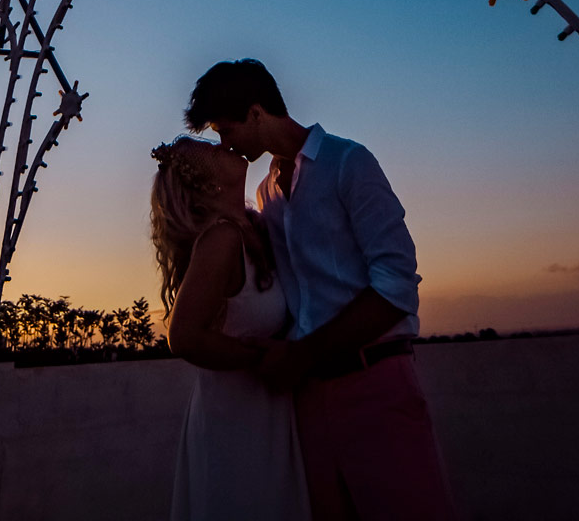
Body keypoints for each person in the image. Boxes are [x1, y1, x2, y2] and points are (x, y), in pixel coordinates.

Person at [187, 58, 460, 521]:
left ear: (256, 112)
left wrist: (303, 354)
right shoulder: (267, 195)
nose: (224, 144)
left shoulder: (348, 162)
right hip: (307, 399)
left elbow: (396, 285)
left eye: (226, 130)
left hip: (374, 382)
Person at [151, 134, 310, 521]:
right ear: (208, 184)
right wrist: (264, 358)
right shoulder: (221, 240)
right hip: (236, 425)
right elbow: (183, 336)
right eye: (213, 151)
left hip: (268, 415)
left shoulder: (255, 228)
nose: (225, 146)